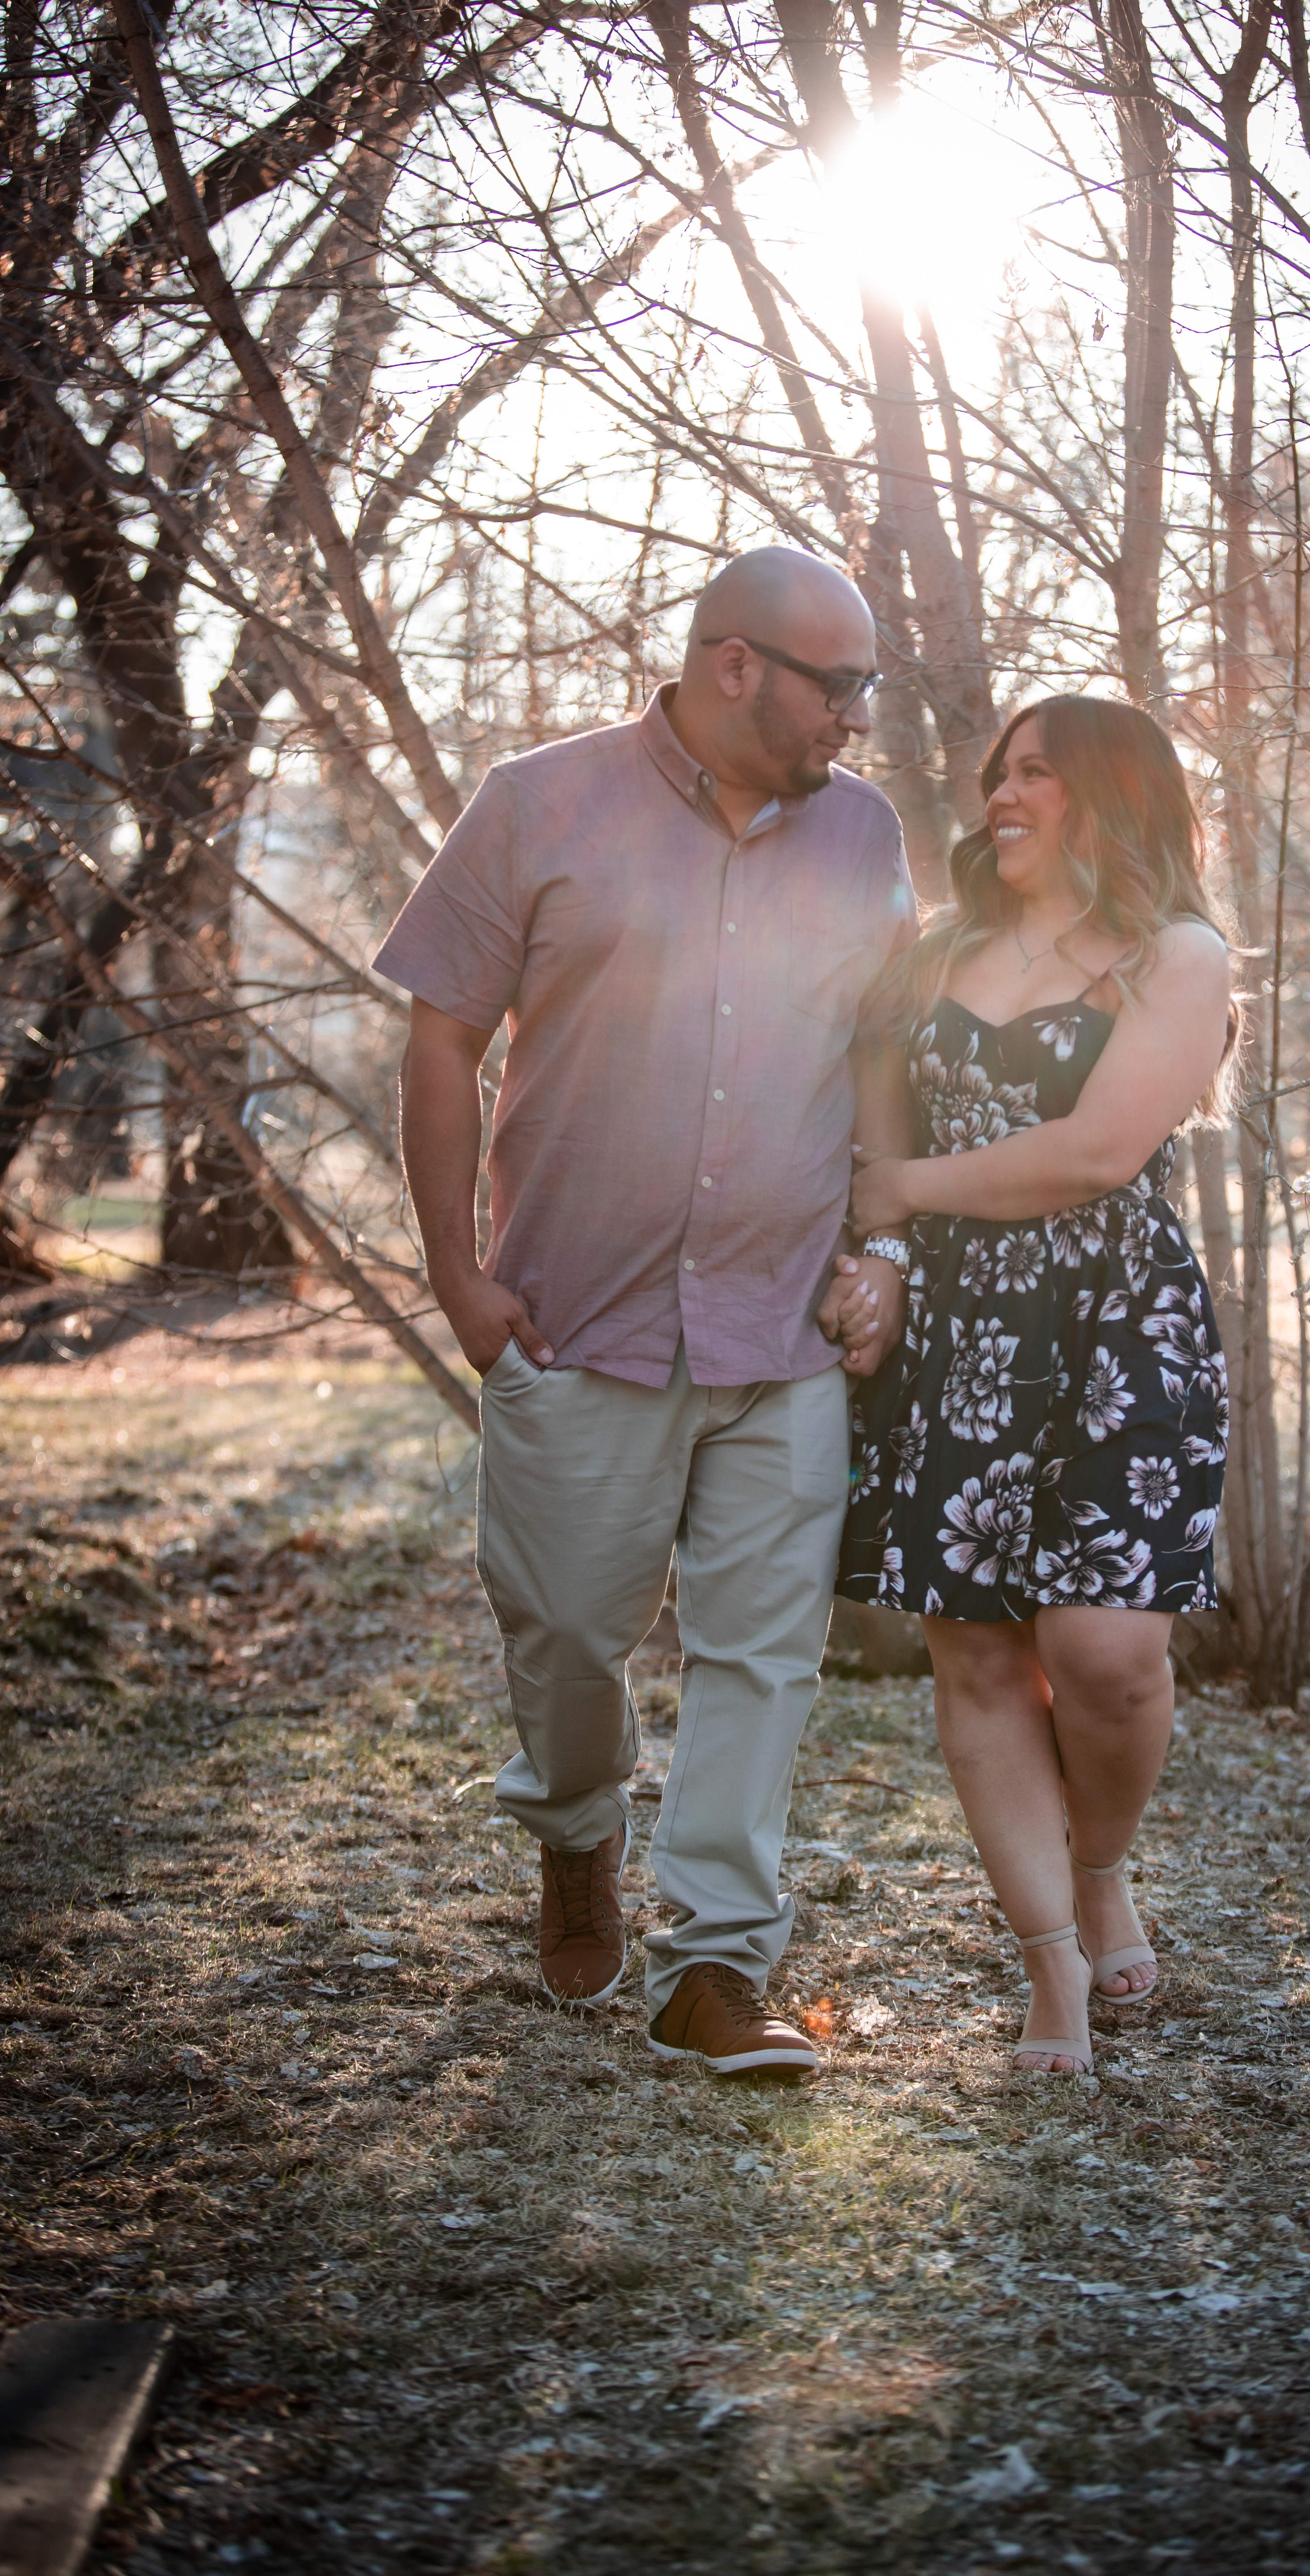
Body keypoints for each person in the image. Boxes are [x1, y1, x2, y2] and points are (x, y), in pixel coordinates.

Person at [376, 547, 914, 2079]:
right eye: (841, 686)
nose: (858, 723)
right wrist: (459, 1284)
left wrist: (883, 1250)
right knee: (563, 1642)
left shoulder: (867, 837)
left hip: (784, 1336)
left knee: (763, 1655)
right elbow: (441, 1045)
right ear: (733, 664)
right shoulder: (538, 801)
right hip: (574, 1325)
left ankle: (717, 1965)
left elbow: (882, 1058)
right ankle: (575, 1830)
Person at [837, 695, 1236, 2076]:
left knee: (1111, 1659)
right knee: (986, 1656)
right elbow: (876, 1109)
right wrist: (883, 1245)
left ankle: (1103, 1862)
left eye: (1037, 777)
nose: (1003, 796)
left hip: (1122, 1330)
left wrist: (903, 1188)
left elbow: (1095, 1154)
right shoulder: (934, 949)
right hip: (962, 1333)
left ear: (1114, 796)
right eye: (999, 771)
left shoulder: (1178, 954)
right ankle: (1051, 1962)